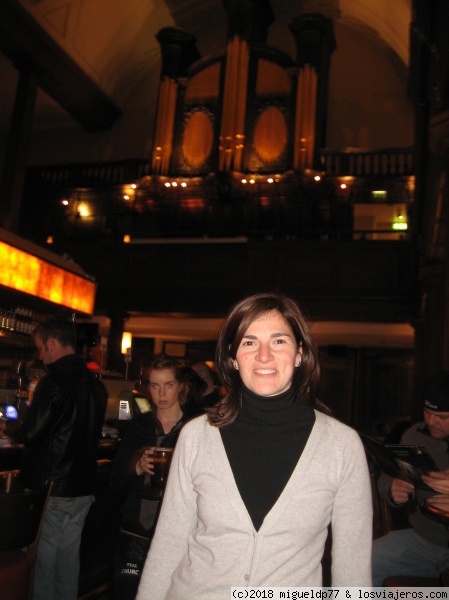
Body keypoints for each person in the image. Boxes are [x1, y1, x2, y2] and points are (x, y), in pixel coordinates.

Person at [136, 293, 372, 599]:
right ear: (233, 357)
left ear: (299, 353)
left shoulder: (341, 446)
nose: (264, 355)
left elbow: (352, 571)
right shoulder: (196, 436)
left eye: (278, 341)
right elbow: (169, 541)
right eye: (249, 342)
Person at [0, 317, 108, 600]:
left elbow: (32, 431)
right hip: (84, 488)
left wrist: (8, 428)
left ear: (50, 343)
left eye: (39, 347)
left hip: (53, 488)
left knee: (43, 564)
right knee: (68, 561)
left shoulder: (54, 380)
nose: (39, 355)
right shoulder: (96, 384)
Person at [109, 355, 189, 600]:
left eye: (168, 385)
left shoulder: (193, 429)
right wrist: (137, 468)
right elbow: (114, 480)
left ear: (180, 387)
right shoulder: (139, 427)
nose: (161, 393)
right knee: (128, 593)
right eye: (155, 385)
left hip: (177, 533)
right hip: (135, 530)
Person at [372, 371, 449, 585]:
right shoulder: (415, 434)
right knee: (360, 563)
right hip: (425, 540)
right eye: (427, 412)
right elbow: (389, 474)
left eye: (443, 417)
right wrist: (390, 488)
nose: (431, 421)